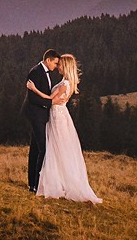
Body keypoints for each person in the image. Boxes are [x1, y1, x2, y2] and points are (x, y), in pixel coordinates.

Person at [36, 53, 101, 204]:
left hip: (57, 116)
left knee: (57, 148)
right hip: (59, 115)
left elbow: (51, 101)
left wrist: (34, 90)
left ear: (65, 66)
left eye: (60, 65)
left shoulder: (65, 84)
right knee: (59, 149)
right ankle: (60, 182)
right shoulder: (68, 83)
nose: (57, 67)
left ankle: (59, 184)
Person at [23, 50, 61, 191]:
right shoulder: (35, 72)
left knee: (35, 149)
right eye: (55, 63)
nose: (56, 67)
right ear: (49, 60)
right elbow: (32, 97)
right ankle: (37, 184)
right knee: (43, 149)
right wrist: (50, 104)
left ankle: (32, 184)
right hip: (35, 115)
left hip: (41, 115)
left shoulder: (45, 73)